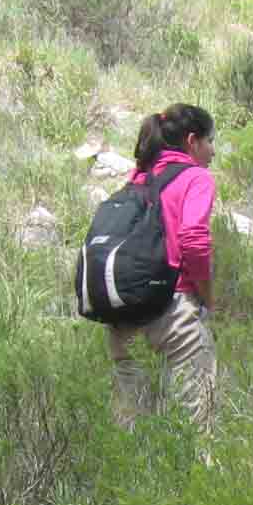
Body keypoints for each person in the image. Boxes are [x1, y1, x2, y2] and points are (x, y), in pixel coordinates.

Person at [100, 104, 218, 436]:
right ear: (192, 141)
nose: (212, 151)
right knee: (194, 430)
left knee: (133, 430)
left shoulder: (136, 180)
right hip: (174, 312)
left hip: (122, 314)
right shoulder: (196, 177)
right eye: (210, 141)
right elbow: (193, 240)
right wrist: (209, 298)